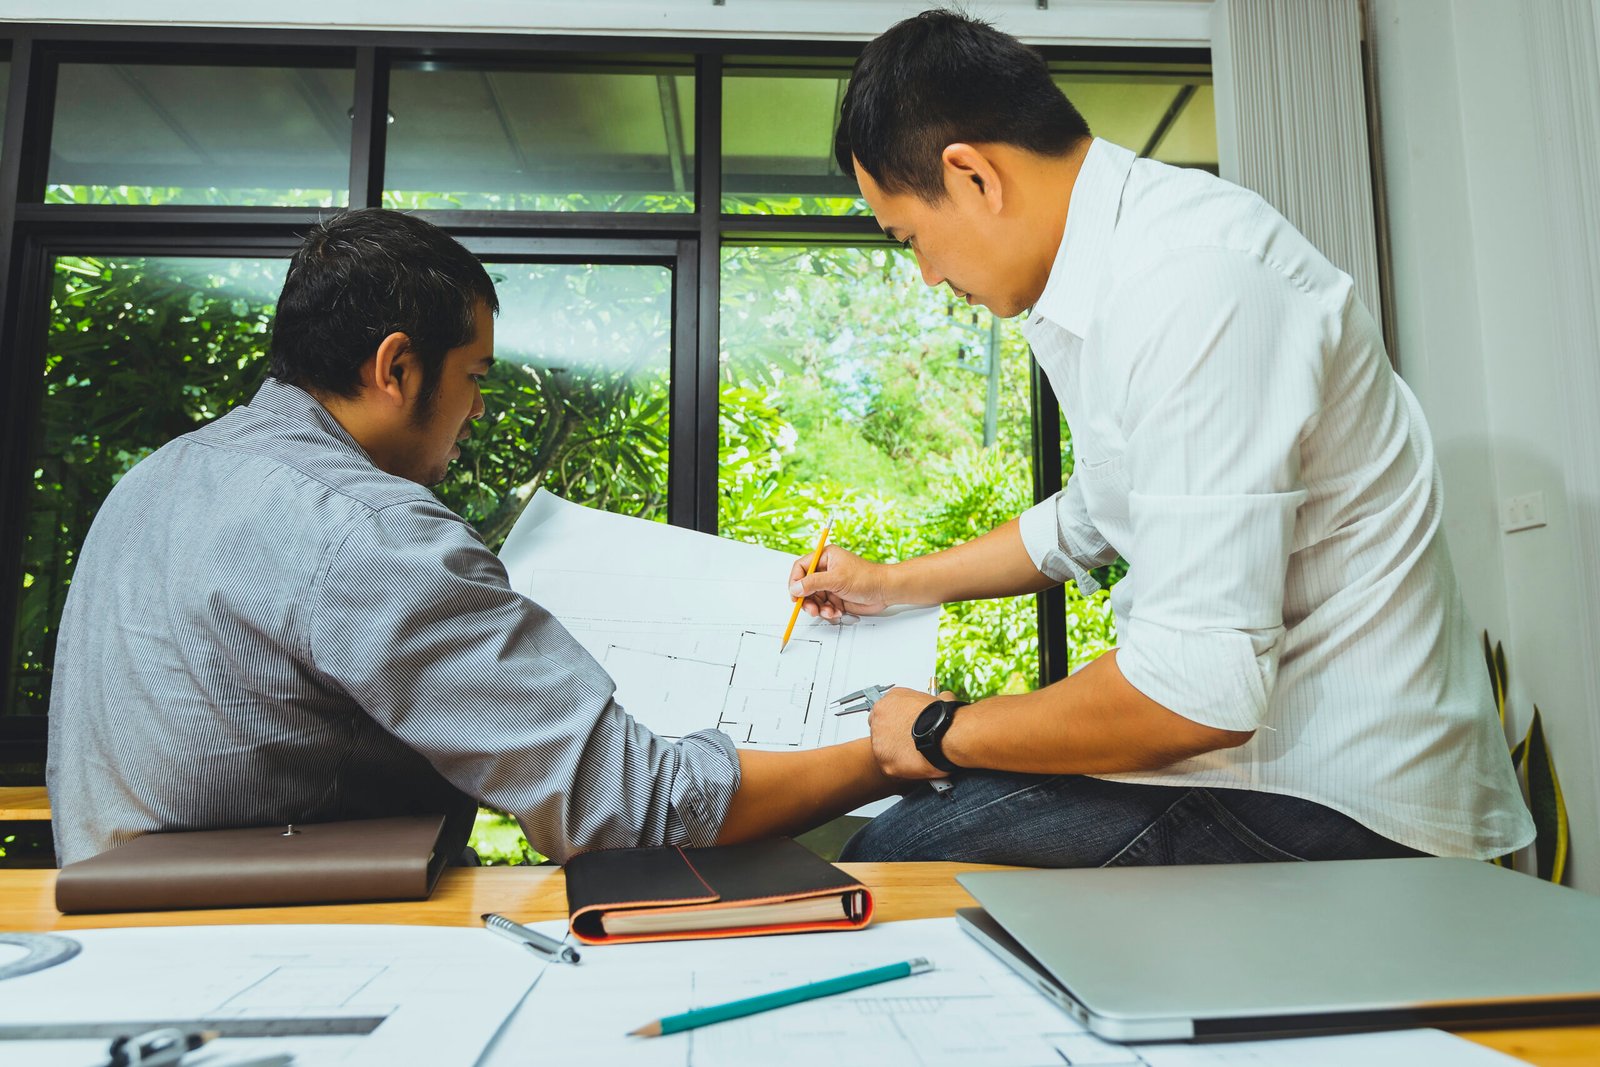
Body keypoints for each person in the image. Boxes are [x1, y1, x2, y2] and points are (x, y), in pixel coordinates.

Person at [790, 10, 1534, 866]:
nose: (928, 275)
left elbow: (1193, 693)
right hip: (1254, 760)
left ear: (973, 177)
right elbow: (1089, 518)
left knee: (893, 860)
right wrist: (888, 584)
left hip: (1341, 791)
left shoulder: (1193, 281)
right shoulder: (1097, 281)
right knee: (911, 837)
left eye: (911, 238)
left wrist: (938, 727)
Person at [48, 208, 894, 866]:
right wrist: (893, 750)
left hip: (114, 940)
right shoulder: (369, 528)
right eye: (474, 378)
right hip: (291, 949)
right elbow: (637, 807)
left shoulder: (153, 481)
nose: (478, 410)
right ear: (396, 369)